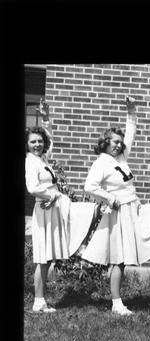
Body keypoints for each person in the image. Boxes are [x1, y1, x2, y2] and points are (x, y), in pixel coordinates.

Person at [81, 97, 150, 316]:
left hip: (134, 207)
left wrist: (131, 111)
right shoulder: (101, 162)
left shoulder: (122, 158)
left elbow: (131, 130)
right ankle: (117, 303)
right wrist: (110, 199)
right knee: (120, 259)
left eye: (120, 141)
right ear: (105, 142)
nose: (118, 144)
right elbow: (90, 186)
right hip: (119, 213)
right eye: (114, 141)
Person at [25, 98, 96, 313]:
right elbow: (32, 187)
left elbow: (50, 140)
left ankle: (81, 245)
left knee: (48, 257)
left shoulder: (43, 159)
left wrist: (46, 118)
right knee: (43, 258)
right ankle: (38, 301)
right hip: (45, 210)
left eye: (39, 141)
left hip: (54, 209)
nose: (37, 144)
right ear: (26, 144)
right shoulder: (30, 162)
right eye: (33, 142)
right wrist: (52, 196)